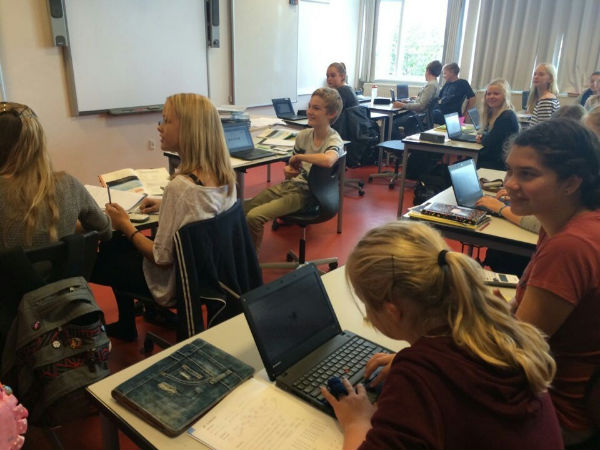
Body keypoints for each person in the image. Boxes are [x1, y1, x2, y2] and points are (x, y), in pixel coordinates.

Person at [322, 221, 562, 450]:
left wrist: (356, 421)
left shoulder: (419, 377)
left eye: (367, 304)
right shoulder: (499, 330)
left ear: (393, 311)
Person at [92, 93, 237, 340]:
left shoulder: (180, 188)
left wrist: (125, 225)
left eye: (167, 121)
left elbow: (160, 258)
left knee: (106, 251)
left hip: (176, 283)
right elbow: (203, 212)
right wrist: (165, 204)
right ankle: (131, 323)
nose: (159, 127)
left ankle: (112, 328)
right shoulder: (223, 175)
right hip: (208, 275)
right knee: (118, 245)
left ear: (188, 129)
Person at [505, 119, 600, 447]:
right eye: (510, 170)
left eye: (527, 174)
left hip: (557, 416)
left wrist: (427, 360)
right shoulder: (565, 224)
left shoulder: (570, 246)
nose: (510, 184)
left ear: (571, 182)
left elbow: (514, 353)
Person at [0, 102, 111, 249]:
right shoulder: (68, 185)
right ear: (38, 142)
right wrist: (66, 226)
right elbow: (104, 231)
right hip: (65, 265)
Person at [244, 87, 343, 252]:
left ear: (331, 114)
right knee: (242, 209)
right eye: (309, 106)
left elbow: (328, 159)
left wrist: (300, 157)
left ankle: (251, 262)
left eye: (316, 108)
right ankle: (240, 252)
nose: (309, 111)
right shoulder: (303, 136)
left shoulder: (333, 139)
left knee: (254, 217)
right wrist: (289, 170)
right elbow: (291, 169)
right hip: (292, 186)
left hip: (310, 194)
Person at [474, 79, 519, 170]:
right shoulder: (492, 113)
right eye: (488, 94)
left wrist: (482, 138)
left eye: (496, 94)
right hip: (492, 158)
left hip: (499, 163)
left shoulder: (506, 116)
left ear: (504, 96)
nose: (491, 97)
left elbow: (492, 142)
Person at [391, 59, 442, 138]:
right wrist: (409, 102)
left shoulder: (431, 86)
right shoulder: (435, 84)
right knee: (391, 119)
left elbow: (421, 106)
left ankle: (400, 143)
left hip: (418, 116)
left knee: (391, 122)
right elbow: (424, 102)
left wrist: (402, 105)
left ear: (428, 71)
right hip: (420, 115)